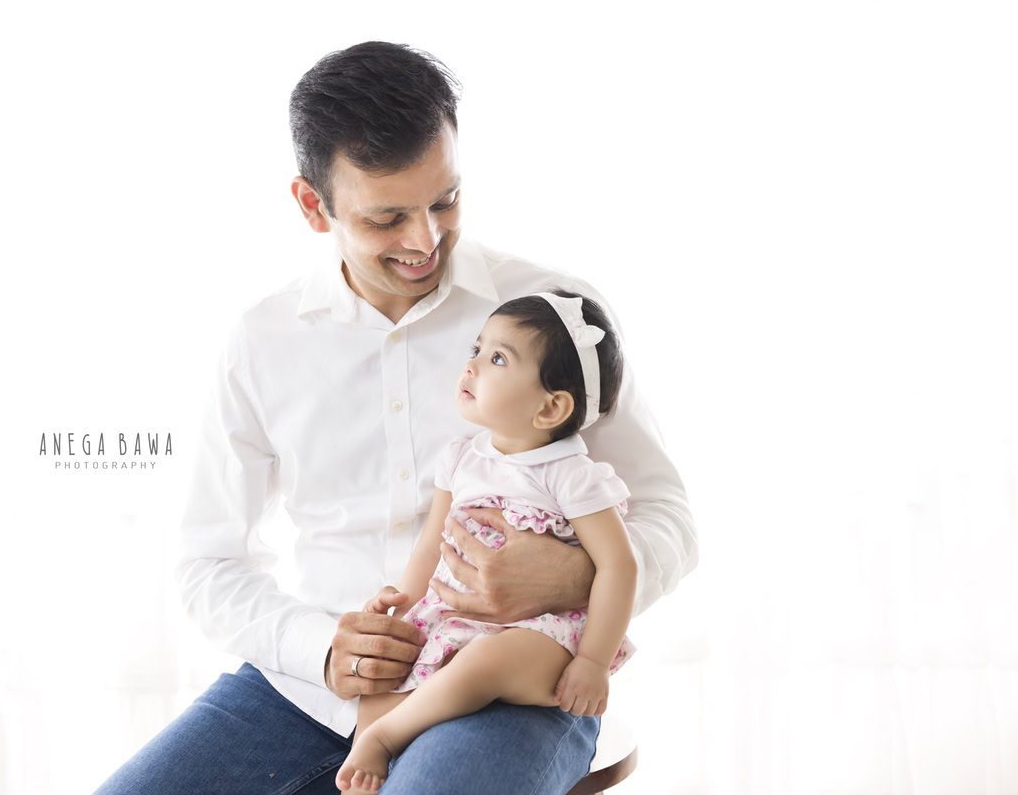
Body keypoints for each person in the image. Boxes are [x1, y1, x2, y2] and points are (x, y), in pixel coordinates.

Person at [93, 40, 696, 795]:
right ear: (314, 206)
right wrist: (320, 648)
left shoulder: (554, 317)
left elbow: (670, 514)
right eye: (387, 218)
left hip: (507, 681)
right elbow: (208, 560)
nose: (426, 239)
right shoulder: (263, 339)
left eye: (445, 200)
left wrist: (578, 574)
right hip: (309, 691)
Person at [336, 289, 640, 794]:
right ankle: (366, 752)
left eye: (497, 358)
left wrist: (592, 662)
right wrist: (403, 613)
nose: (472, 365)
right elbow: (432, 545)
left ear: (550, 408)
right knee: (387, 674)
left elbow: (618, 566)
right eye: (475, 350)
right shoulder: (461, 459)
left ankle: (387, 739)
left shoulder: (571, 475)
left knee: (485, 663)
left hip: (538, 635)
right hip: (454, 617)